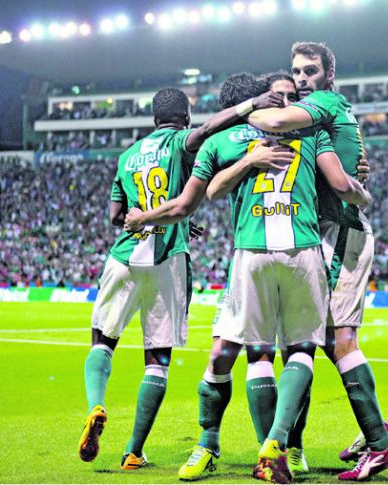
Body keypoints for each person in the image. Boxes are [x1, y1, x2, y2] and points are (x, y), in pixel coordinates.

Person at [124, 71, 371, 484]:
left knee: (247, 352)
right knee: (289, 351)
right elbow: (342, 181)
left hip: (256, 255)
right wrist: (362, 186)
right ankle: (240, 444)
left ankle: (270, 448)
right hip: (288, 252)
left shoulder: (221, 141)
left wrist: (141, 218)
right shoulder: (305, 132)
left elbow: (197, 200)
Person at [77, 84, 285, 470]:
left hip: (124, 255)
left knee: (102, 340)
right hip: (168, 257)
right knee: (156, 360)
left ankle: (96, 405)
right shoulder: (179, 142)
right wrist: (251, 105)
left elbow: (114, 216)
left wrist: (141, 214)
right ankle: (133, 451)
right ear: (184, 117)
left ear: (153, 118)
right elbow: (207, 132)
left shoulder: (127, 156)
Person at [247, 42, 388, 481]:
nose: (302, 77)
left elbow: (276, 121)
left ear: (328, 75)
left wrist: (248, 110)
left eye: (310, 70)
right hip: (328, 234)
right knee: (321, 343)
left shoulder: (324, 104)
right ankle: (374, 429)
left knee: (338, 341)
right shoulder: (324, 116)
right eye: (296, 70)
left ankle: (379, 444)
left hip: (342, 234)